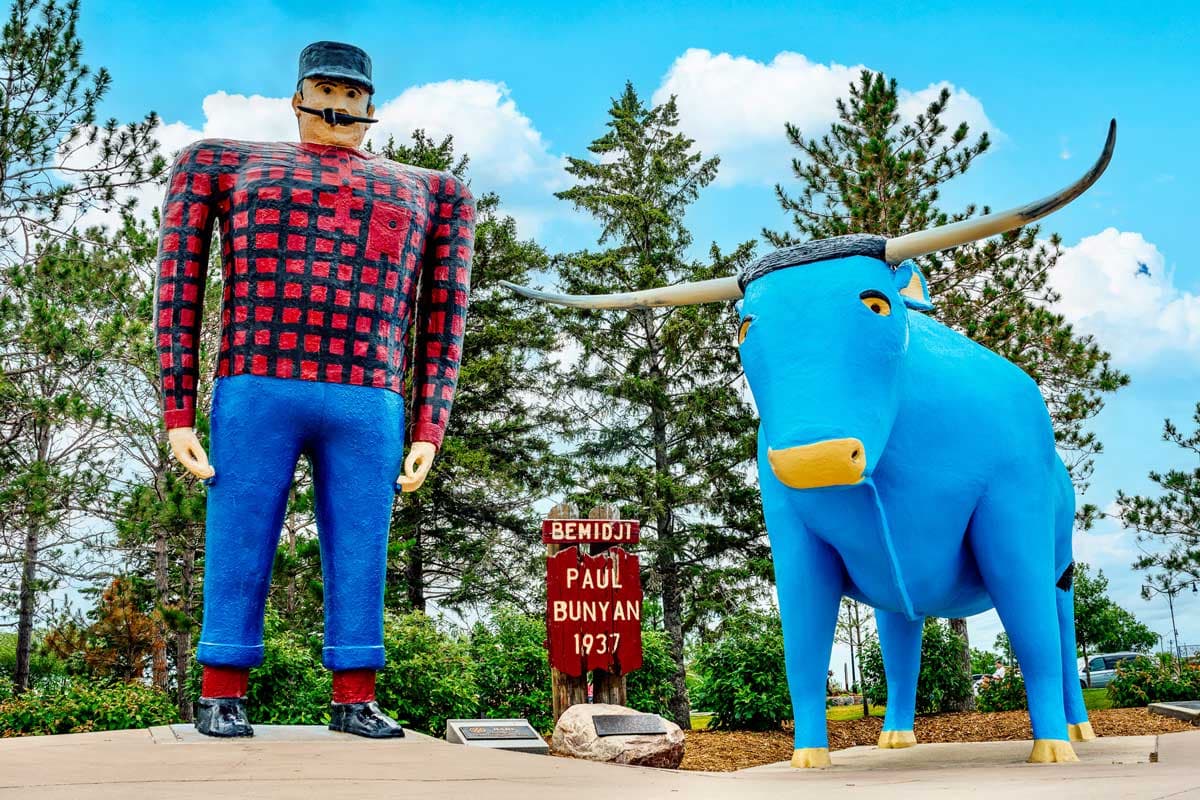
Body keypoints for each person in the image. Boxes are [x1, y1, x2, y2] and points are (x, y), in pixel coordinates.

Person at [154, 41, 474, 738]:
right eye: (326, 88)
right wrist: (177, 410)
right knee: (238, 534)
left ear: (370, 102)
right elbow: (176, 284)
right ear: (298, 95)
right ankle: (220, 689)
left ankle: (355, 695)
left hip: (369, 391)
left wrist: (429, 426)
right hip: (257, 379)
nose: (338, 104)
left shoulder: (432, 190)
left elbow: (446, 312)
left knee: (363, 542)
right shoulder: (221, 162)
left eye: (352, 92)